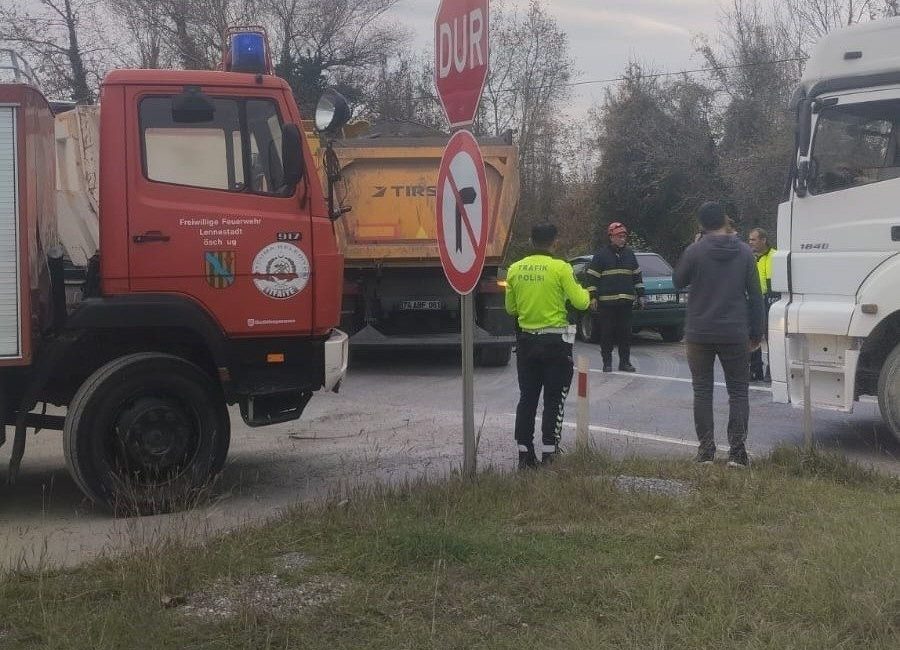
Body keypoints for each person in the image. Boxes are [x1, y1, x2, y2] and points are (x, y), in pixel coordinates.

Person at [674, 202, 764, 468]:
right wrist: (756, 331)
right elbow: (756, 295)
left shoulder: (695, 250)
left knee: (702, 391)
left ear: (701, 224)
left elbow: (678, 281)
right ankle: (737, 453)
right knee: (738, 391)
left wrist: (693, 246)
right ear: (724, 220)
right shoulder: (746, 252)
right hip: (735, 331)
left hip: (699, 332)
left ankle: (706, 452)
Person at [505, 223, 591, 469]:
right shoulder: (561, 268)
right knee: (554, 399)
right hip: (555, 343)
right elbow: (580, 302)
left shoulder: (515, 269)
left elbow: (511, 308)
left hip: (527, 343)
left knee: (527, 399)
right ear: (555, 242)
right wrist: (586, 294)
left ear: (531, 242)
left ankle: (524, 454)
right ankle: (550, 453)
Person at [585, 222, 645, 373]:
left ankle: (625, 363)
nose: (622, 239)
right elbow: (592, 279)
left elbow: (637, 276)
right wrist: (593, 297)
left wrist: (641, 296)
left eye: (624, 236)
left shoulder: (630, 254)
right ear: (611, 237)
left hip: (625, 303)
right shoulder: (600, 255)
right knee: (607, 334)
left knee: (625, 334)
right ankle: (607, 363)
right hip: (607, 303)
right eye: (619, 236)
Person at [748, 228, 776, 382]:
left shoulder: (774, 256)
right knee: (753, 335)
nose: (750, 242)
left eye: (753, 239)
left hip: (770, 300)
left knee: (771, 336)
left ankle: (772, 371)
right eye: (750, 239)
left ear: (763, 240)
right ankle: (755, 369)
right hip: (754, 300)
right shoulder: (749, 257)